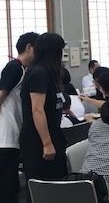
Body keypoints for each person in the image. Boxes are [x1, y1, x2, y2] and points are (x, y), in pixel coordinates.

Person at [20, 33, 68, 186]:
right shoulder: (38, 73)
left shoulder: (51, 74)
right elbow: (37, 110)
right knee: (43, 187)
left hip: (54, 135)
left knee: (60, 184)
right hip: (38, 141)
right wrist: (47, 143)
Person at [0, 32, 39, 203]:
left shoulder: (23, 70)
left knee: (11, 187)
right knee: (6, 189)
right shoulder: (14, 67)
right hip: (5, 138)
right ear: (29, 47)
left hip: (12, 136)